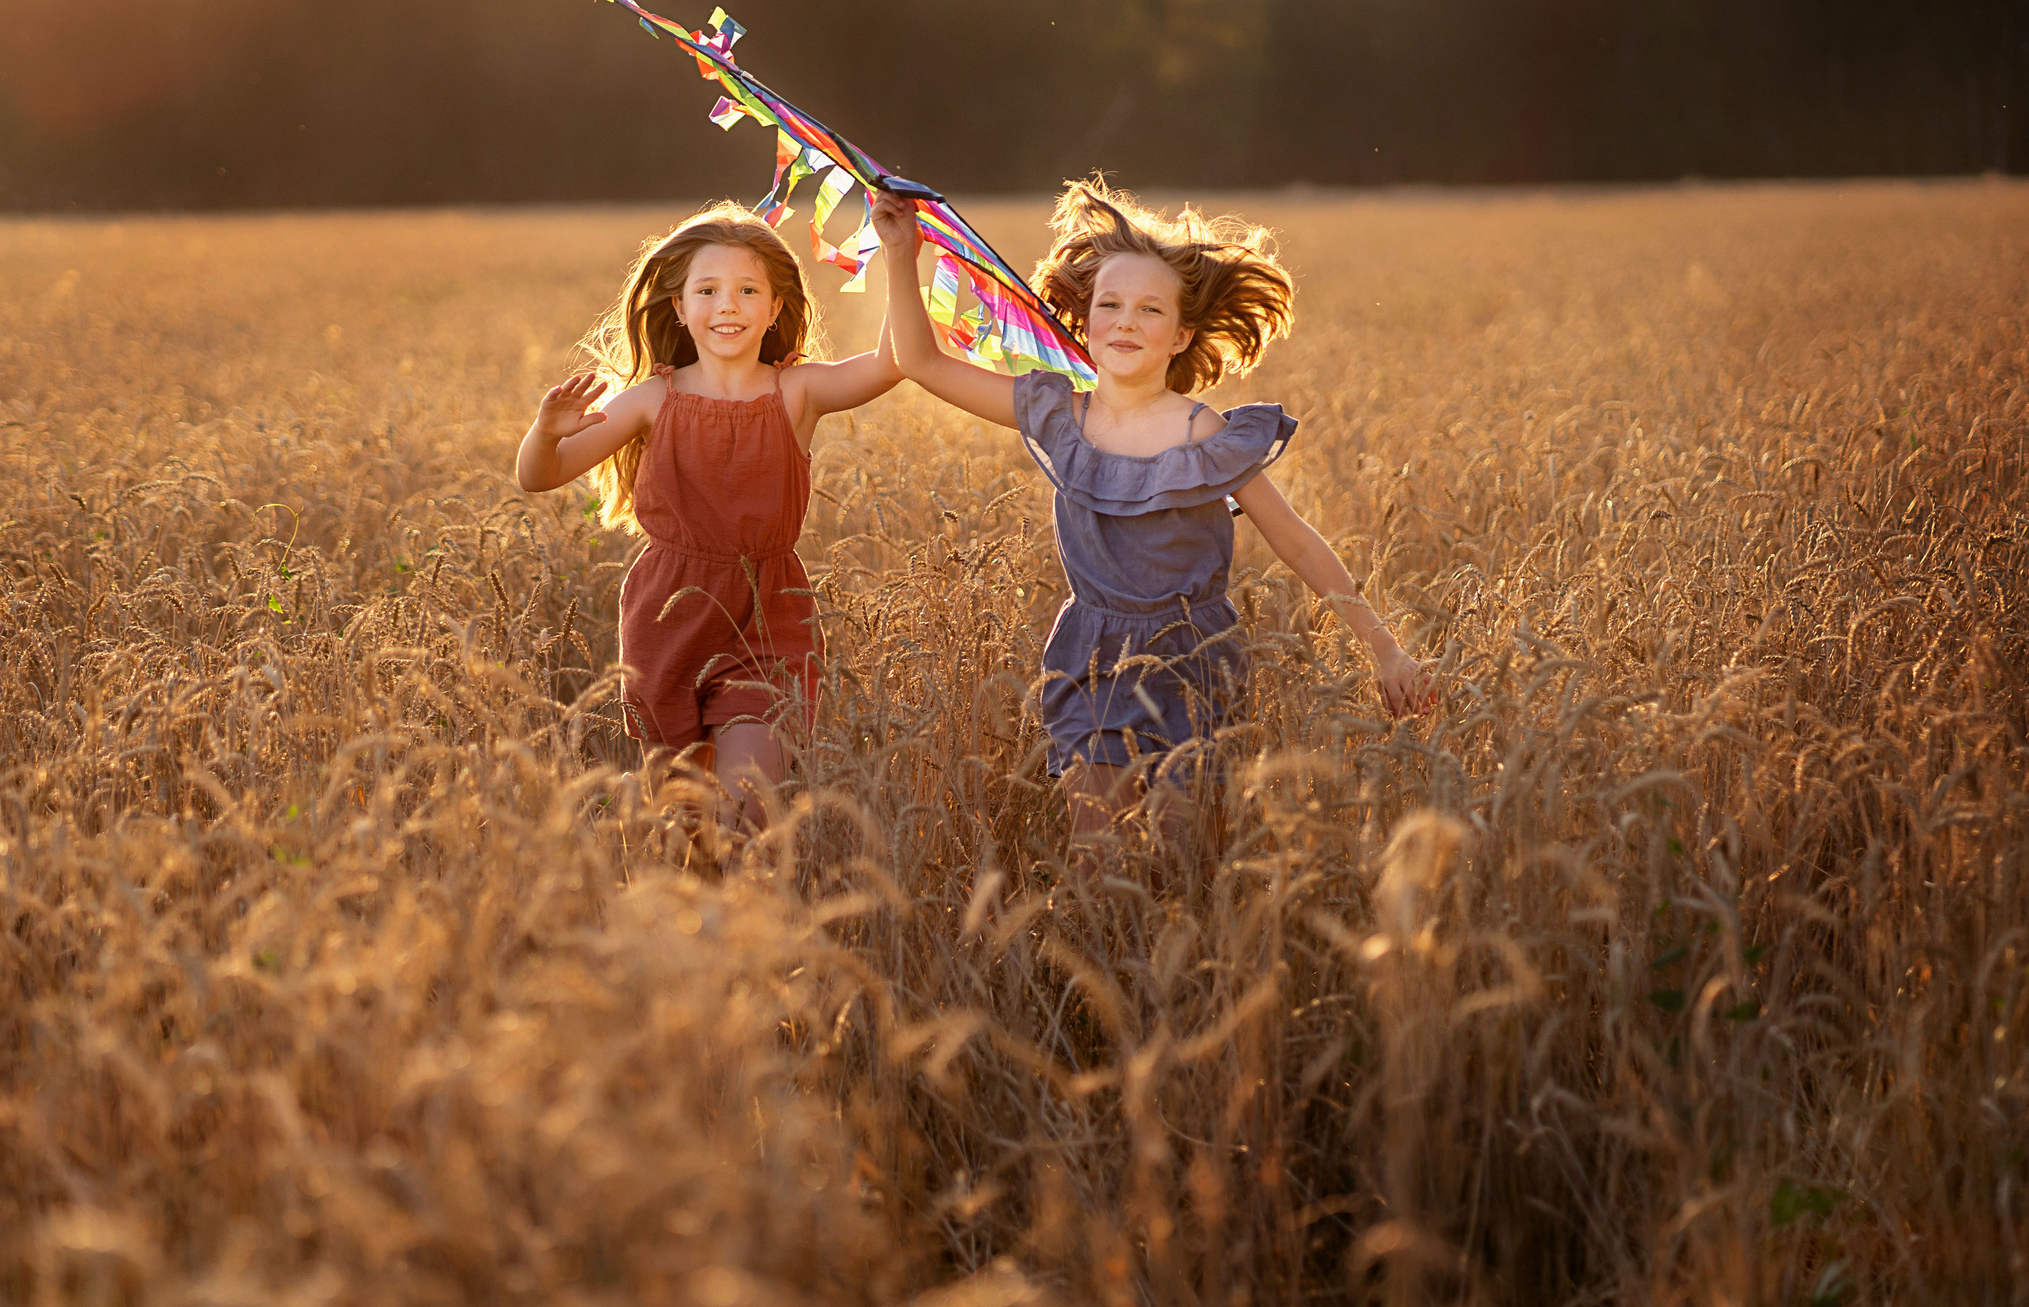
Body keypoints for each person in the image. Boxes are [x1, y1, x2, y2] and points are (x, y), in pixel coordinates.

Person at [874, 179, 1433, 849]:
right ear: (1084, 321)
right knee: (1097, 854)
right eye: (1109, 304)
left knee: (1179, 855)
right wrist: (900, 256)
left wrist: (1385, 648)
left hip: (1192, 659)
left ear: (1181, 335)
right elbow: (921, 362)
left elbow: (1298, 542)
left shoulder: (1206, 434)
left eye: (1148, 309)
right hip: (1091, 654)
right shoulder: (1060, 417)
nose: (1126, 321)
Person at [515, 202, 900, 830]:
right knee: (684, 823)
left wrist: (902, 255)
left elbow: (892, 362)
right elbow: (540, 476)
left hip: (769, 613)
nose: (729, 305)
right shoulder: (650, 401)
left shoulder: (796, 392)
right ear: (679, 307)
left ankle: (750, 920)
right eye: (709, 290)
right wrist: (544, 431)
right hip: (669, 616)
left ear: (776, 308)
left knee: (745, 814)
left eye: (749, 290)